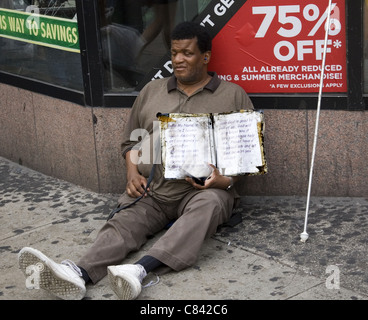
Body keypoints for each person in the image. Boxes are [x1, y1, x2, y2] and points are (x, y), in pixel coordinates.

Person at [18, 21, 254, 300]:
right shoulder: (152, 91)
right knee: (124, 223)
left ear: (205, 56)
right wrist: (132, 173)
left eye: (187, 53)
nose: (178, 60)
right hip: (153, 189)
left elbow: (246, 155)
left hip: (201, 192)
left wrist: (223, 181)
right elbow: (131, 141)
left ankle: (139, 271)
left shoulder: (232, 95)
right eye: (174, 53)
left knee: (211, 204)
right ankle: (77, 273)